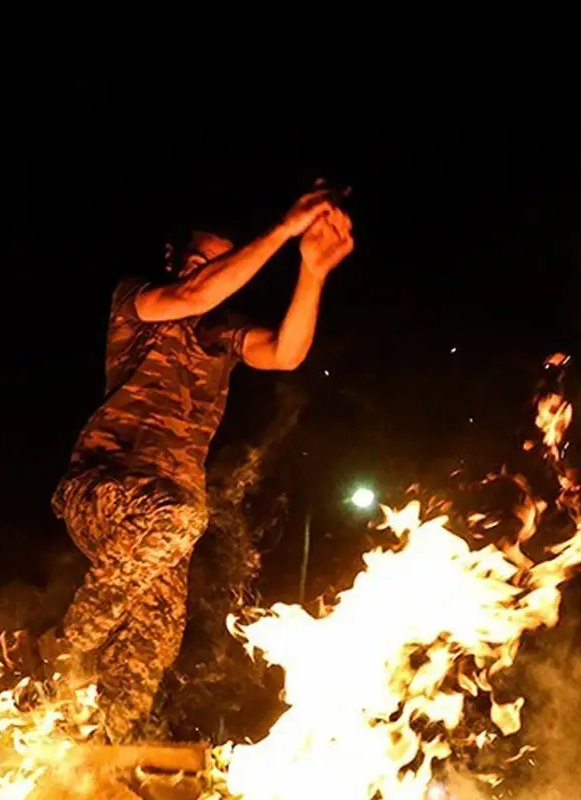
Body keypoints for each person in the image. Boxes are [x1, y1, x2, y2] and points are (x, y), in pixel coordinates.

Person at [39, 188, 354, 743]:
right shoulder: (138, 302)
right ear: (173, 260)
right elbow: (190, 295)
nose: (208, 275)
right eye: (197, 262)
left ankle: (105, 753)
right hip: (105, 487)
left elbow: (285, 352)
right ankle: (67, 645)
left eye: (220, 265)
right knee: (183, 517)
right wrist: (282, 231)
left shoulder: (222, 336)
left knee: (154, 637)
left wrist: (312, 271)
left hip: (164, 522)